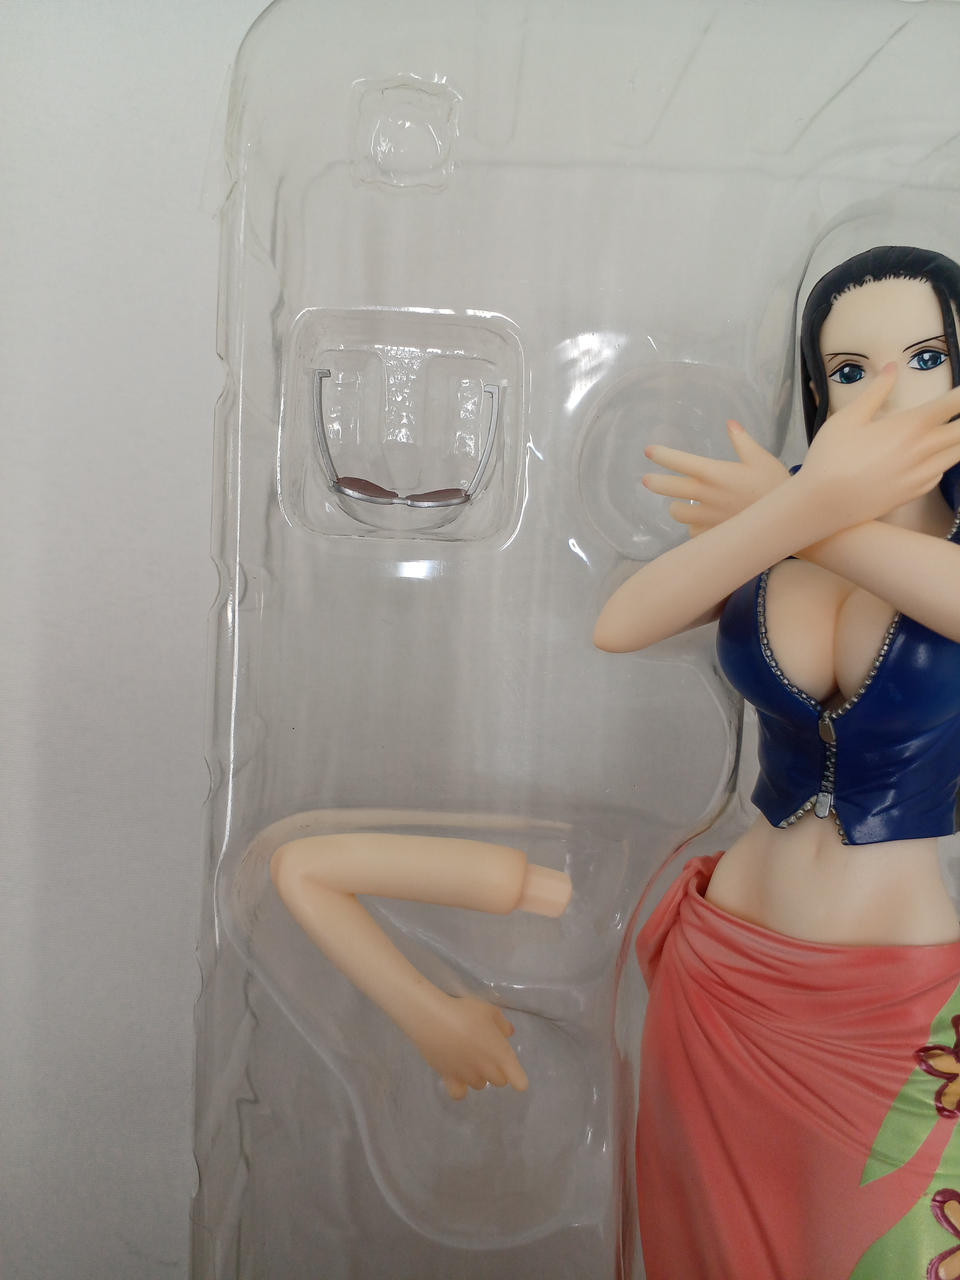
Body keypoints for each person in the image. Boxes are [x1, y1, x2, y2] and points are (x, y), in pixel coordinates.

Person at [595, 246, 960, 1279]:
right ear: (817, 389)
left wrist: (802, 510)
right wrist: (794, 508)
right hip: (724, 969)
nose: (887, 391)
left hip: (891, 1000)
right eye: (850, 369)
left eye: (924, 356)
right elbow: (621, 623)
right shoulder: (778, 517)